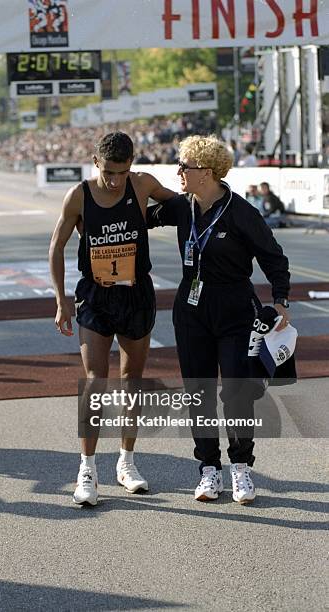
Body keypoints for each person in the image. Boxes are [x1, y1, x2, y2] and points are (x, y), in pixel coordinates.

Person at [147, 135, 290, 504]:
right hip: (191, 309)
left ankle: (241, 468)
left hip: (236, 309)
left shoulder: (241, 212)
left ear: (206, 172)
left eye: (185, 167)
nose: (179, 172)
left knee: (237, 391)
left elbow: (274, 258)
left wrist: (281, 300)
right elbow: (141, 219)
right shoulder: (181, 207)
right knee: (199, 391)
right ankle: (209, 470)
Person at [49, 131, 175, 506]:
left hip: (136, 294)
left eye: (122, 172)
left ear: (131, 166)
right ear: (95, 162)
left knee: (132, 379)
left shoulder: (142, 185)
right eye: (108, 172)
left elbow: (186, 206)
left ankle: (127, 462)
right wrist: (61, 301)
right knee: (94, 380)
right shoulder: (79, 196)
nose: (114, 180)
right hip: (96, 295)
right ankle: (87, 469)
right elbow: (56, 247)